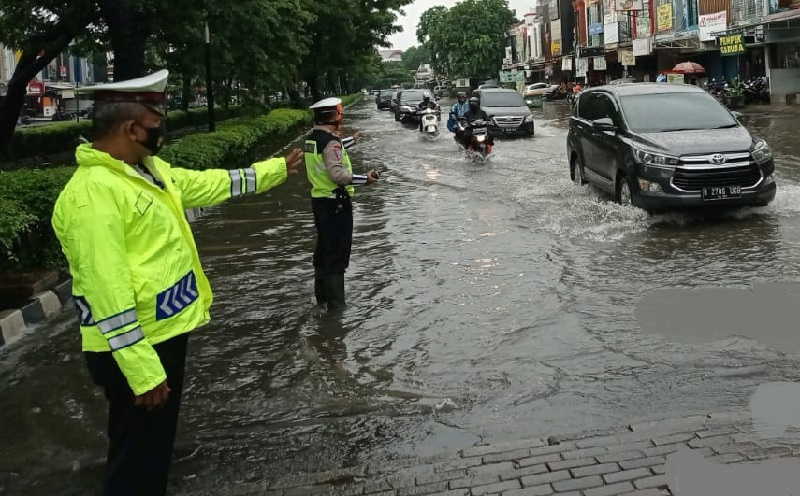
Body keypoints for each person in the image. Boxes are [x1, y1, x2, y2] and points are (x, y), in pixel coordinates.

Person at [49, 69, 304, 496]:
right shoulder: (92, 195)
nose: (161, 132)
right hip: (134, 351)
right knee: (136, 461)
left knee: (152, 452)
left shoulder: (146, 171)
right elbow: (106, 292)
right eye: (156, 124)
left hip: (161, 335)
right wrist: (144, 371)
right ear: (131, 129)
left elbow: (207, 184)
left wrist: (274, 169)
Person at [304, 97, 379, 312]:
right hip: (336, 205)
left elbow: (331, 150)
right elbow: (337, 173)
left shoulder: (313, 139)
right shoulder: (330, 142)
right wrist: (365, 179)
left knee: (323, 252)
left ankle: (322, 301)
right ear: (336, 116)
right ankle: (337, 311)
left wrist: (351, 141)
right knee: (336, 256)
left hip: (320, 203)